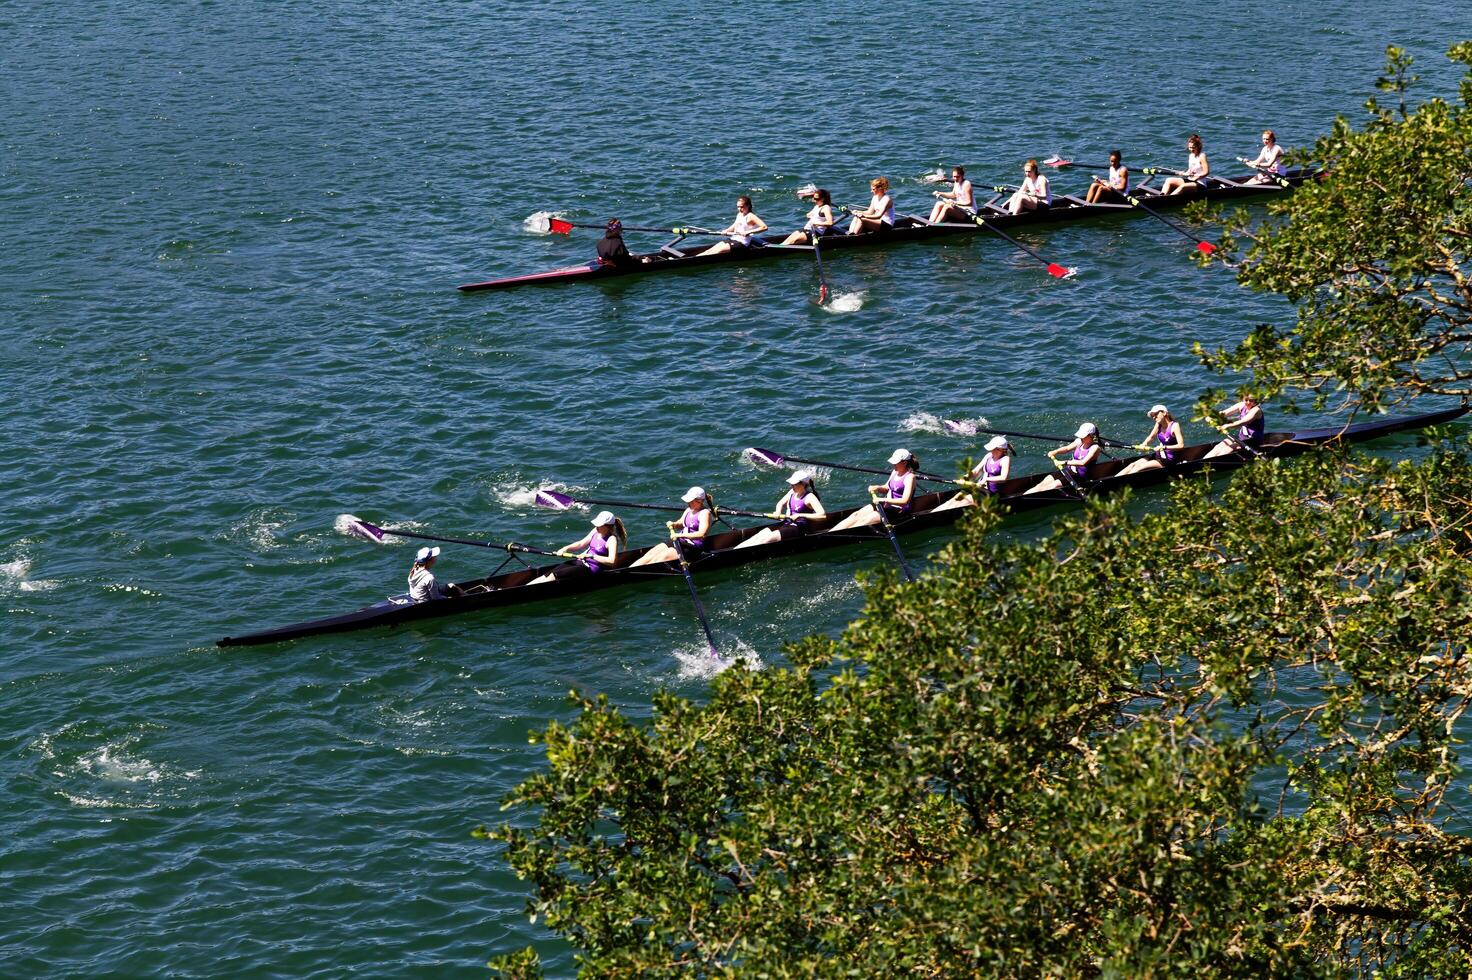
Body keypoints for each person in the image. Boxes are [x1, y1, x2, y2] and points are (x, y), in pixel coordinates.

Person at [735, 470, 827, 549]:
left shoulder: (810, 497)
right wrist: (778, 511)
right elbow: (780, 503)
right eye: (791, 484)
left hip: (799, 528)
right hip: (786, 523)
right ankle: (736, 550)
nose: (792, 486)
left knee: (767, 539)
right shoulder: (792, 492)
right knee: (760, 534)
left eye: (794, 484)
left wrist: (800, 515)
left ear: (803, 484)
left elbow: (822, 515)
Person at [528, 511, 627, 584]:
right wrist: (565, 548)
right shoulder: (595, 531)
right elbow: (581, 544)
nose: (597, 527)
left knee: (554, 576)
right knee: (549, 574)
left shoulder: (611, 539)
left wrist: (591, 556)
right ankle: (526, 586)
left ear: (607, 526)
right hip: (581, 562)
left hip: (591, 569)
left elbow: (612, 561)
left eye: (599, 525)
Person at [831, 449, 920, 530]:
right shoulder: (895, 472)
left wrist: (882, 499)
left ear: (904, 463)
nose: (893, 464)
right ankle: (831, 532)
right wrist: (877, 487)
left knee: (865, 521)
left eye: (896, 463)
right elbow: (886, 488)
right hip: (886, 505)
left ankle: (839, 536)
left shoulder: (910, 477)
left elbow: (905, 500)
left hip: (899, 511)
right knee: (856, 514)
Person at [631, 487, 716, 566]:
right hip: (679, 540)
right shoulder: (688, 510)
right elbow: (681, 523)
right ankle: (628, 570)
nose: (687, 502)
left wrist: (679, 535)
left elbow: (702, 534)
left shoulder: (705, 513)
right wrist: (674, 524)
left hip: (693, 547)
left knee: (658, 559)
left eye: (690, 500)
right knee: (649, 555)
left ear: (699, 501)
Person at [1026, 423, 1102, 494]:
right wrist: (1055, 451)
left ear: (1091, 435)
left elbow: (1082, 463)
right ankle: (1023, 496)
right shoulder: (1079, 441)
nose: (1080, 437)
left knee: (1051, 487)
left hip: (1079, 477)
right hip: (1068, 470)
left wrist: (1064, 462)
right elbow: (1067, 448)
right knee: (1041, 485)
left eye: (1083, 435)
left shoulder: (1095, 448)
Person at [1117, 405, 1186, 476]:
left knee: (1138, 467)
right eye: (1152, 416)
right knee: (1132, 464)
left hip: (1169, 461)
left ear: (1164, 413)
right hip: (1159, 455)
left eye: (1156, 414)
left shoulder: (1175, 426)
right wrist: (1144, 444)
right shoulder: (1158, 424)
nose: (1154, 417)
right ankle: (1113, 480)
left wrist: (1164, 447)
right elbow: (1151, 437)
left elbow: (1181, 445)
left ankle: (1120, 484)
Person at [698, 196, 769, 256]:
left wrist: (748, 232)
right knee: (710, 250)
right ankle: (694, 257)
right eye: (738, 207)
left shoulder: (751, 216)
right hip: (733, 239)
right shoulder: (739, 214)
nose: (739, 209)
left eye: (742, 207)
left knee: (715, 252)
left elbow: (764, 227)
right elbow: (735, 225)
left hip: (742, 243)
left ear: (748, 206)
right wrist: (726, 231)